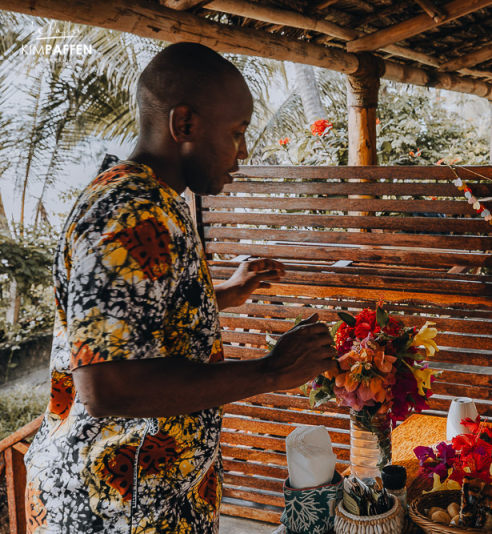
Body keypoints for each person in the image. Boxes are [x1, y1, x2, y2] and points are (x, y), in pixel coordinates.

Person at [24, 42, 336, 533]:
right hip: (115, 510)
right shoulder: (130, 210)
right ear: (185, 124)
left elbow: (138, 320)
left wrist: (229, 293)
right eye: (237, 133)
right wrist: (273, 371)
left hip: (153, 498)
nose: (244, 152)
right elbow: (108, 386)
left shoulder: (159, 201)